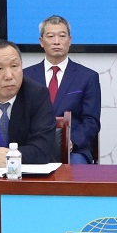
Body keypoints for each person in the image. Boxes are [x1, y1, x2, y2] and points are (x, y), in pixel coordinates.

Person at [23, 15, 101, 164]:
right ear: (41, 41)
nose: (56, 41)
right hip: (34, 146)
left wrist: (71, 142)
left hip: (73, 150)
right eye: (50, 36)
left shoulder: (87, 77)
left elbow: (91, 121)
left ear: (69, 40)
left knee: (75, 169)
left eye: (62, 36)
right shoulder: (25, 76)